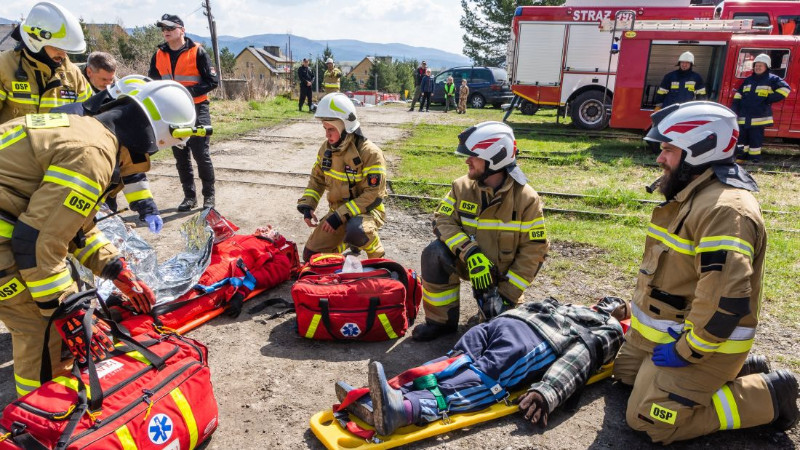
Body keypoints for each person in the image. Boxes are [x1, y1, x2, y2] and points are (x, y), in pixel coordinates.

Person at [0, 80, 201, 397]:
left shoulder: (84, 130)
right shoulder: (93, 155)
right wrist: (69, 312)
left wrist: (115, 269)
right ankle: (43, 415)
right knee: (43, 329)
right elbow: (38, 243)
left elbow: (73, 226)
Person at [613, 101, 799, 444]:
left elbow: (724, 301)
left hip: (705, 343)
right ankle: (739, 372)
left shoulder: (725, 211)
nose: (660, 158)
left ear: (700, 150)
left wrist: (687, 351)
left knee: (648, 419)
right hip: (671, 332)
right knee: (625, 375)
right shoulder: (693, 193)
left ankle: (769, 395)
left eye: (669, 150)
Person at [335, 296, 627, 436]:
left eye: (618, 304)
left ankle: (406, 409)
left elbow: (582, 355)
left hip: (533, 341)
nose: (608, 302)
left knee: (479, 376)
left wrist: (548, 390)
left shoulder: (611, 328)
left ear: (623, 316)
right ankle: (381, 396)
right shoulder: (575, 307)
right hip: (506, 324)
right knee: (451, 362)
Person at [412, 121, 549, 341]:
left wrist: (506, 295)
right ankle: (440, 322)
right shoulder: (461, 187)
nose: (467, 160)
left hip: (501, 278)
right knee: (434, 253)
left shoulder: (526, 198)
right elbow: (442, 220)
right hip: (469, 263)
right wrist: (470, 252)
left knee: (494, 334)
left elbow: (534, 252)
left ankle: (496, 305)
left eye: (473, 156)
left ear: (495, 157)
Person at [52, 75, 164, 234]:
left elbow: (133, 173)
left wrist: (148, 210)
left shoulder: (126, 128)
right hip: (56, 205)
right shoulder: (69, 119)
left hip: (96, 203)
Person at [296, 93, 387, 261]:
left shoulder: (370, 153)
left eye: (331, 129)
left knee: (357, 230)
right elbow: (317, 180)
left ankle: (377, 255)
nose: (327, 135)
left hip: (367, 212)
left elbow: (374, 195)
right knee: (311, 257)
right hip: (337, 213)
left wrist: (339, 216)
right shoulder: (326, 149)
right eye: (325, 129)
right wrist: (308, 206)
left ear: (345, 126)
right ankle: (348, 242)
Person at [149, 13, 219, 211]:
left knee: (201, 154)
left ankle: (209, 197)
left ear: (182, 30)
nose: (166, 32)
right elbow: (152, 82)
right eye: (164, 29)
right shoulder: (158, 54)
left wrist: (185, 93)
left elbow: (212, 81)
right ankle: (189, 197)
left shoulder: (198, 52)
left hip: (197, 108)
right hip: (171, 112)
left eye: (170, 28)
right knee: (180, 156)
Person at [0, 1, 92, 124]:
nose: (63, 55)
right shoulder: (4, 66)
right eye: (57, 47)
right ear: (35, 40)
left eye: (65, 49)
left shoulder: (73, 74)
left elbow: (89, 118)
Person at [731, 53, 791, 164]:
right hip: (744, 116)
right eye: (756, 65)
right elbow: (738, 95)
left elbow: (785, 89)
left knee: (755, 140)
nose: (757, 67)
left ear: (766, 67)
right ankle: (740, 158)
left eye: (760, 65)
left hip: (759, 117)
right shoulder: (748, 80)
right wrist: (734, 109)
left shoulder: (772, 79)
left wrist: (768, 99)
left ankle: (753, 160)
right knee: (742, 139)